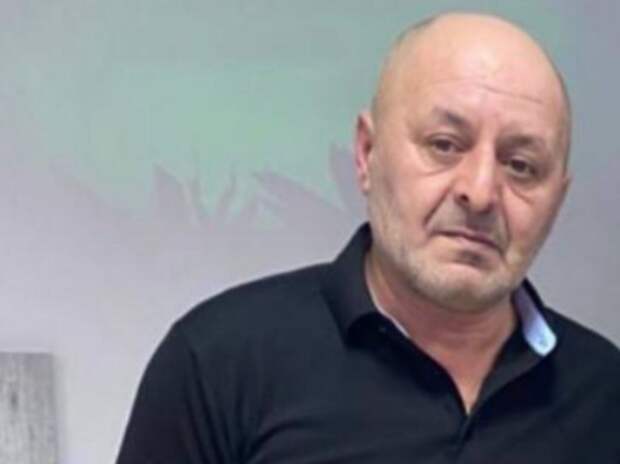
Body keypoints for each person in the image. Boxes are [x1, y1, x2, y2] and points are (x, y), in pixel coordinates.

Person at [116, 13, 620, 464]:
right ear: (366, 153)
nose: (481, 191)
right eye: (445, 145)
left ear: (557, 198)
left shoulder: (604, 393)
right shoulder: (219, 363)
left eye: (521, 165)